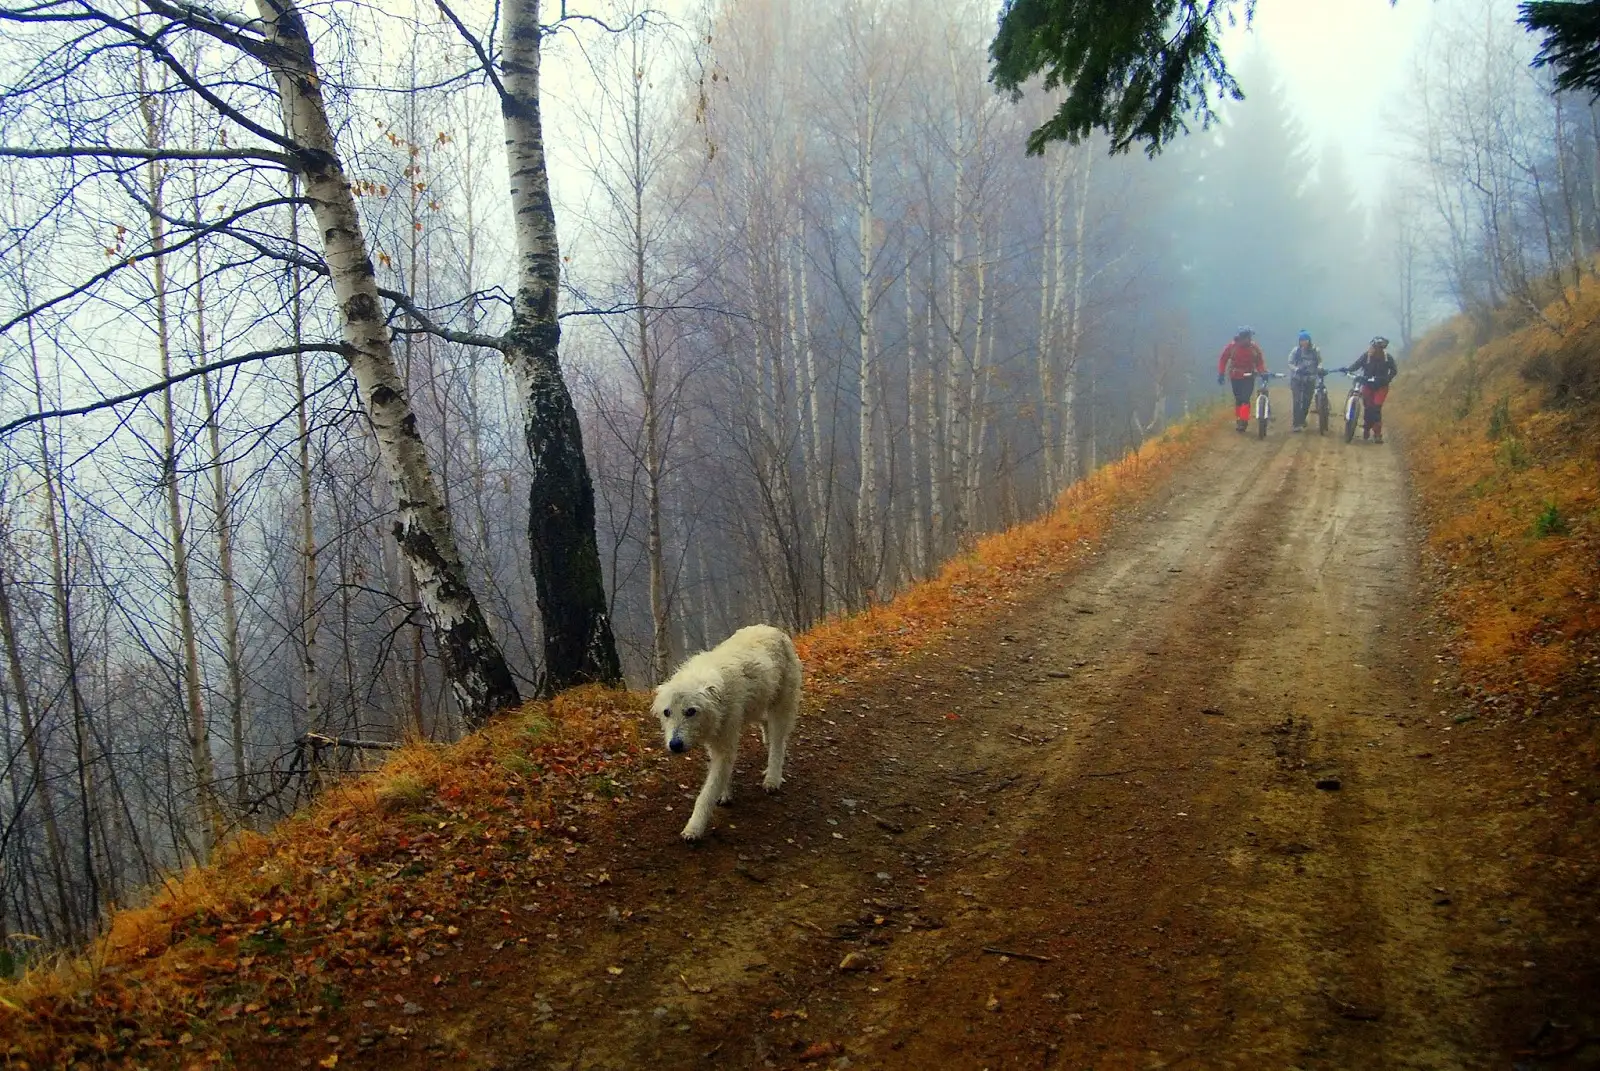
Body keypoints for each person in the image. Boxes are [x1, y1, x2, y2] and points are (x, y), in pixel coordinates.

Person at [1338, 336, 1398, 443]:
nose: (1372, 349)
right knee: (1368, 408)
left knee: (1376, 408)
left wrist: (1387, 379)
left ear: (1381, 349)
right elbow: (1355, 365)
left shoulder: (1387, 358)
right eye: (1372, 346)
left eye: (1374, 347)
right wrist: (1347, 369)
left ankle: (1377, 434)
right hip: (1367, 385)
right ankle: (1366, 428)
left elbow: (1394, 371)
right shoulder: (1366, 356)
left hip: (1381, 386)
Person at [1217, 326, 1267, 433]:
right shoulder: (1232, 347)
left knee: (1245, 398)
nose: (1249, 340)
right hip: (1235, 376)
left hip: (1249, 376)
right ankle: (1239, 419)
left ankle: (1243, 420)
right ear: (1241, 338)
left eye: (1250, 338)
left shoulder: (1254, 348)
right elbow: (1223, 359)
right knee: (1238, 399)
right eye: (1247, 338)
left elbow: (1259, 362)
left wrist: (1262, 372)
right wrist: (1221, 373)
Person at [1286, 330, 1323, 432]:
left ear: (1309, 340)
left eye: (1305, 340)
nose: (1303, 342)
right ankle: (1296, 424)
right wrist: (1296, 369)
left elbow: (1320, 361)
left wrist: (1319, 368)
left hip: (1310, 379)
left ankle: (1302, 419)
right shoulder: (1296, 351)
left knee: (1307, 401)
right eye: (1301, 340)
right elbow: (1290, 363)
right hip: (1297, 379)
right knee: (1297, 400)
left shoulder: (1316, 350)